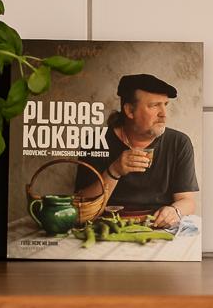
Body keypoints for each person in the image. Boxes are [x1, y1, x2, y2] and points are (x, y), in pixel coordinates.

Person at [79, 74, 199, 230]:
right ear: (130, 110)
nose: (164, 114)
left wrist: (174, 211)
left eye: (165, 105)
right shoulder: (96, 141)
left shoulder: (179, 142)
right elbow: (83, 203)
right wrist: (114, 171)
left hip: (158, 227)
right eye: (154, 105)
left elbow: (187, 201)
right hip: (108, 227)